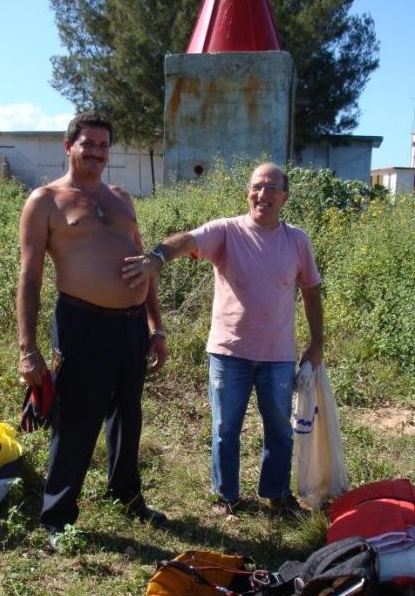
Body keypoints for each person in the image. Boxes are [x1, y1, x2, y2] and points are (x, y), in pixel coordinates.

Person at [122, 162, 323, 517]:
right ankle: (227, 497)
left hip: (277, 355)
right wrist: (157, 257)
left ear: (285, 197)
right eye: (257, 186)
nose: (264, 194)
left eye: (273, 188)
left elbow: (311, 291)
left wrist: (317, 342)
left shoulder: (297, 240)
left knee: (279, 428)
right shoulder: (227, 232)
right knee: (225, 428)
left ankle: (277, 496)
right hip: (228, 353)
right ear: (248, 192)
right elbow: (187, 240)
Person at [17, 110, 168, 548]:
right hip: (82, 324)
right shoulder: (45, 201)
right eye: (88, 144)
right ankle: (57, 516)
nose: (97, 152)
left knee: (128, 413)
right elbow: (29, 278)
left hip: (131, 326)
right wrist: (28, 349)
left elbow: (145, 266)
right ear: (69, 148)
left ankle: (126, 495)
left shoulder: (121, 198)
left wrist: (156, 327)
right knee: (77, 420)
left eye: (103, 145)